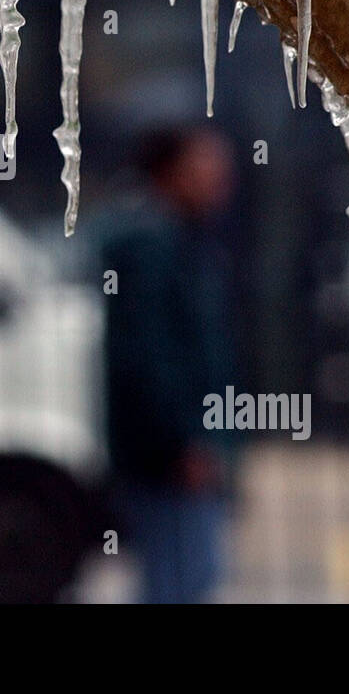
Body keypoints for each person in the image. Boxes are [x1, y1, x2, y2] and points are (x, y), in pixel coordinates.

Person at [100, 123, 239, 603]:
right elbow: (147, 354)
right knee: (180, 577)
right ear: (171, 170)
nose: (220, 175)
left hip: (172, 450)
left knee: (182, 574)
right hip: (167, 457)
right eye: (205, 162)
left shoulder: (178, 239)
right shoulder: (151, 244)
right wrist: (184, 441)